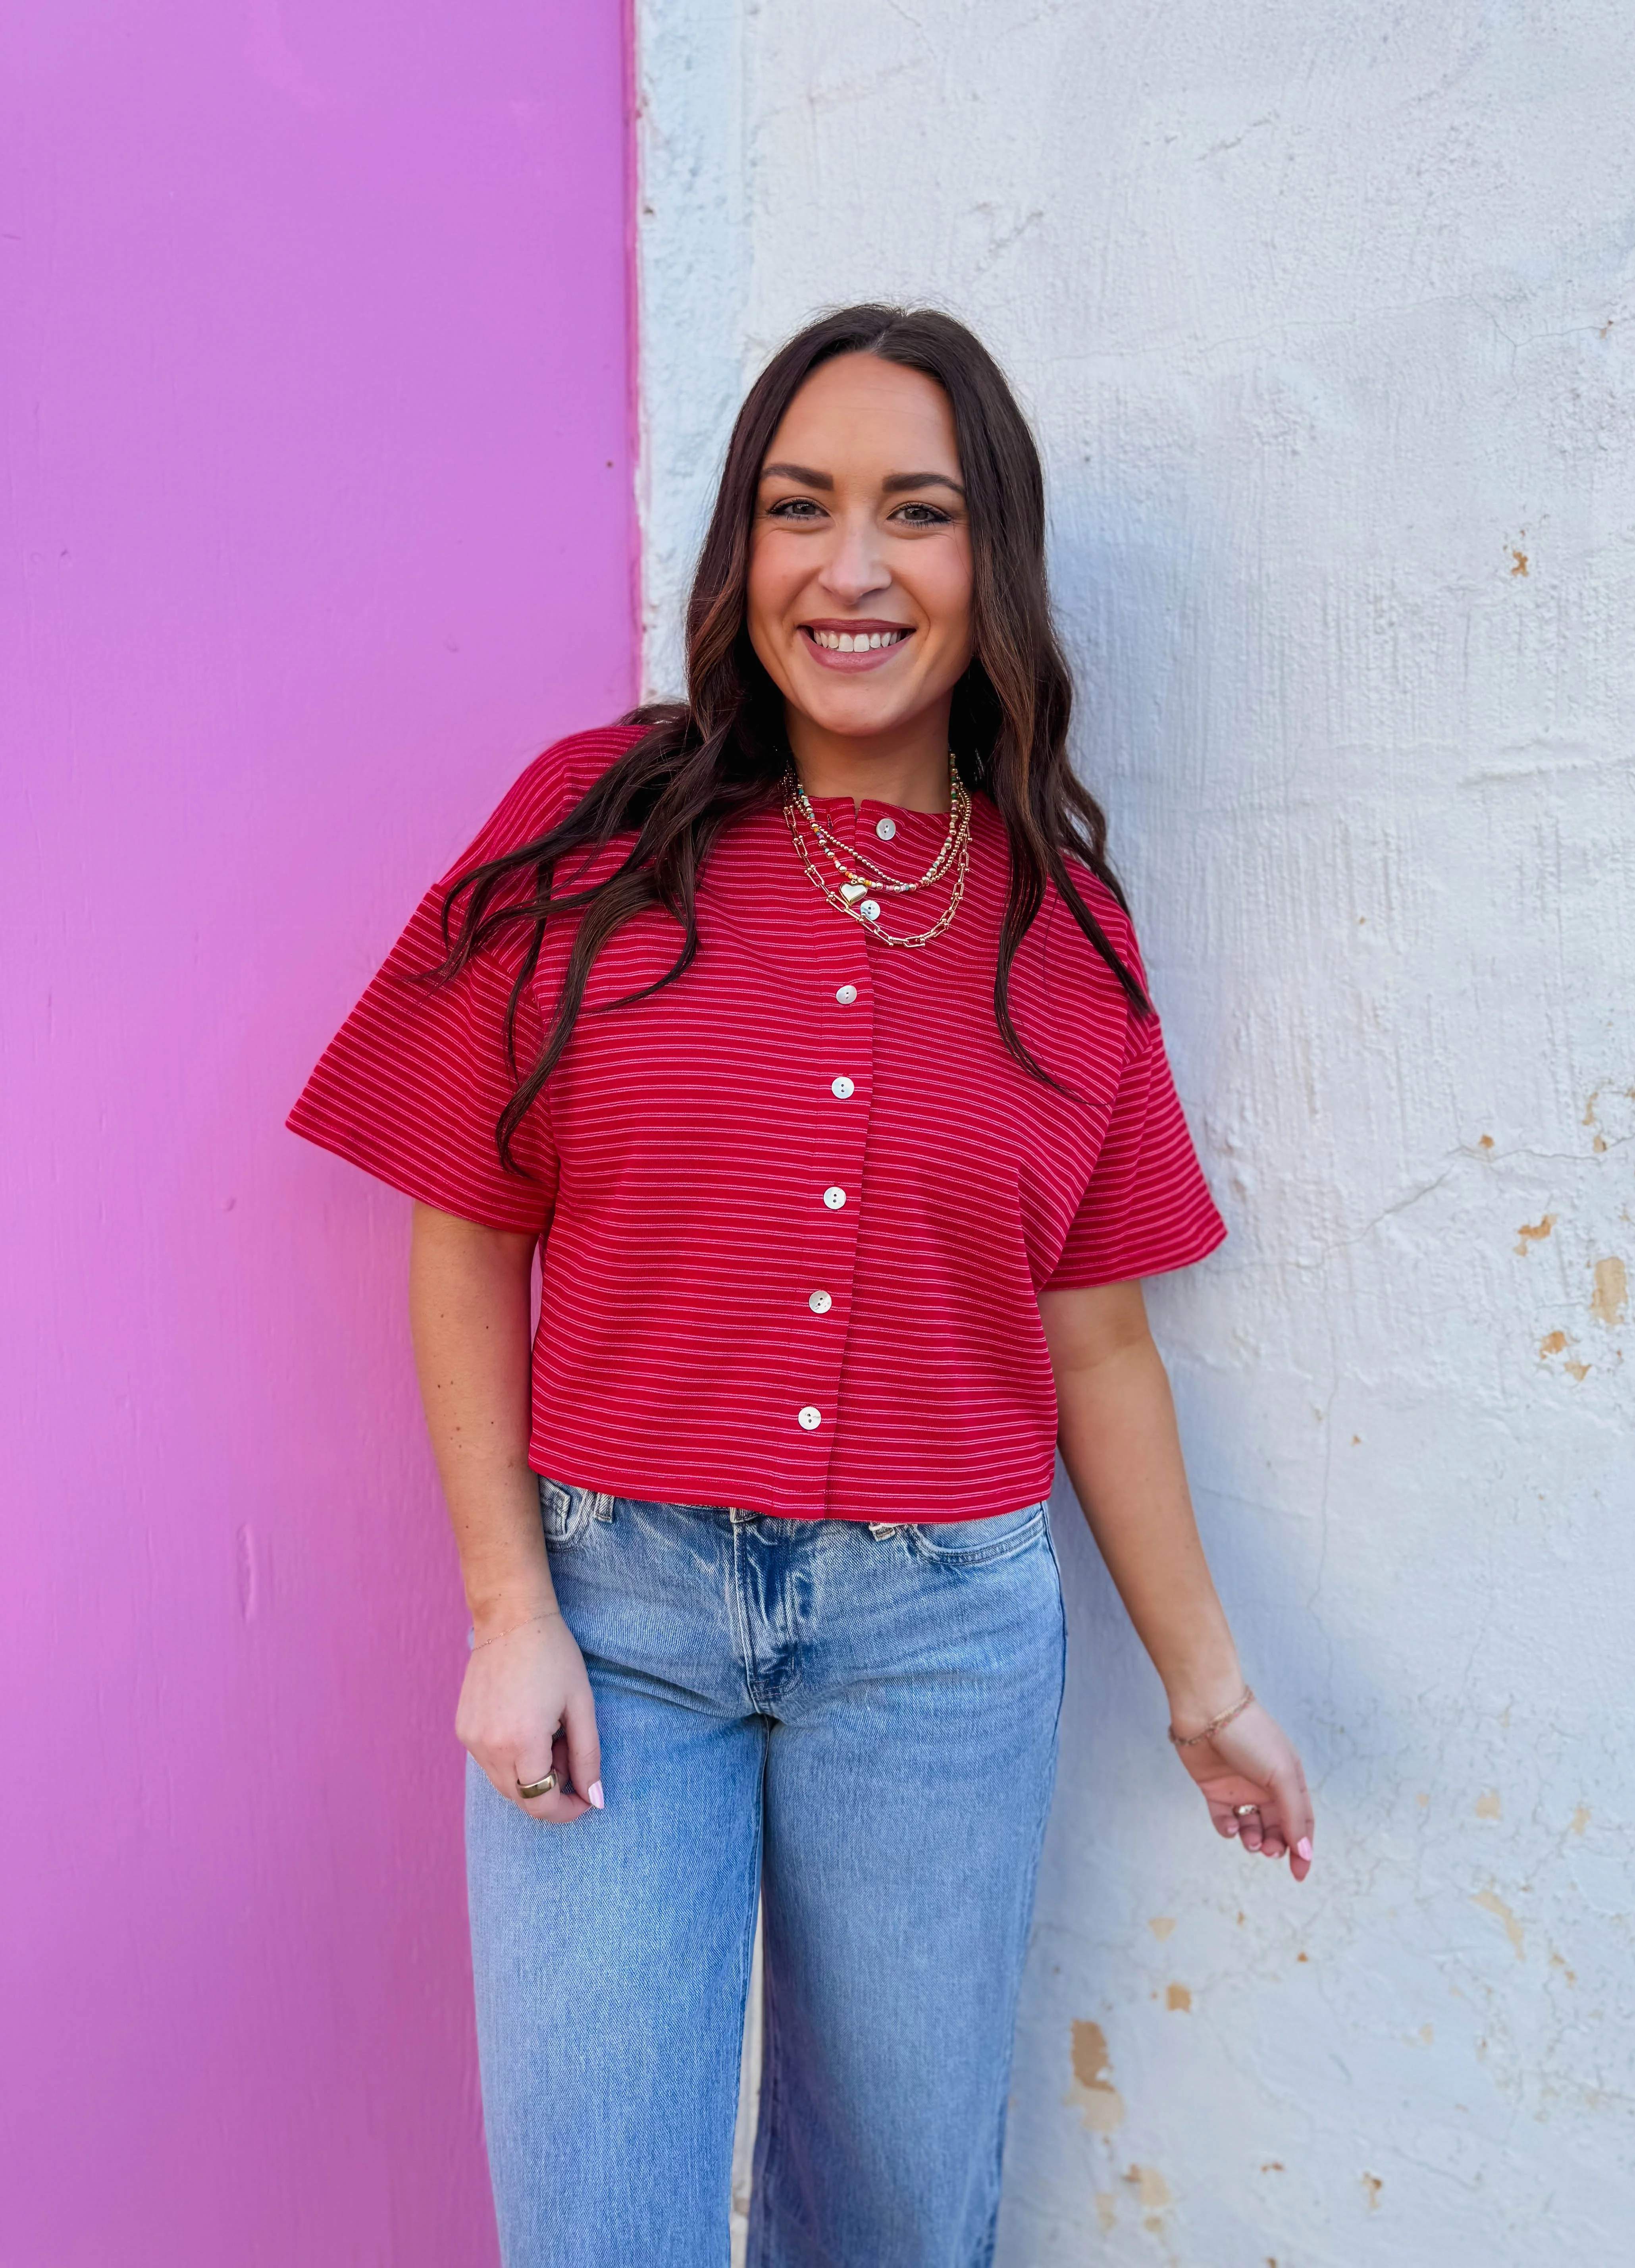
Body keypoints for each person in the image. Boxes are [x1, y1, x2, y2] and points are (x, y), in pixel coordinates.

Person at [289, 304, 1314, 2268]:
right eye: (798, 508)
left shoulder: (1064, 929)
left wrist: (1213, 1691)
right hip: (622, 1621)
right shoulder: (593, 831)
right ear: (741, 553)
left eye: (914, 514)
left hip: (943, 1650)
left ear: (987, 564)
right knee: (603, 2227)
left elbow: (1094, 1331)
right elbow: (466, 1220)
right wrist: (514, 1616)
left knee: (897, 2228)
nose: (850, 570)